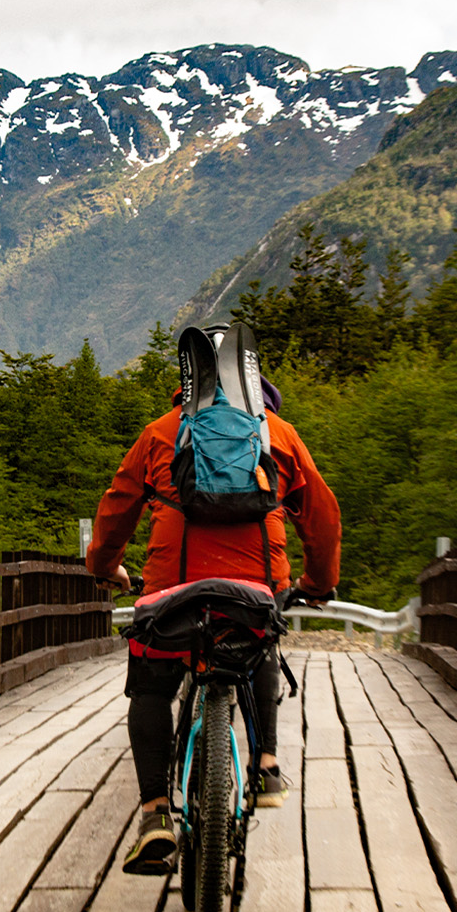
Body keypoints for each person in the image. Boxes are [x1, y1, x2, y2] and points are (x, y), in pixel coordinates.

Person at [86, 346, 342, 875]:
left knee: (152, 685)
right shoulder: (280, 435)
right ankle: (267, 765)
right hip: (257, 585)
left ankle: (156, 813)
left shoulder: (160, 434)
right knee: (260, 638)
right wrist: (318, 583)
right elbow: (322, 519)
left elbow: (115, 510)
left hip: (171, 587)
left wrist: (104, 567)